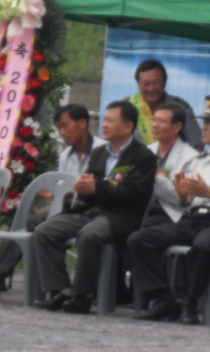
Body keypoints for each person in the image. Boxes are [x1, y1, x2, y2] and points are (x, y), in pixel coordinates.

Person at [126, 96, 210, 325]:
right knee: (139, 239)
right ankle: (164, 298)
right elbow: (187, 201)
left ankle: (189, 303)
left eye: (209, 123)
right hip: (192, 219)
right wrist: (182, 193)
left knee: (204, 245)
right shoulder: (201, 158)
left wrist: (207, 191)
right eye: (204, 122)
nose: (203, 128)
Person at [33, 100, 156, 313]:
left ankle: (82, 296)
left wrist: (97, 187)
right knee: (45, 230)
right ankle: (59, 290)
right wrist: (78, 193)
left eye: (110, 121)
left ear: (128, 126)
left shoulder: (143, 156)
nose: (104, 125)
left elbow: (135, 195)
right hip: (94, 211)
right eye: (104, 120)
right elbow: (89, 192)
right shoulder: (100, 153)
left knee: (90, 235)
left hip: (123, 217)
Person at [0, 103, 104, 289]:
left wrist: (72, 194)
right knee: (30, 221)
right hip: (71, 208)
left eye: (65, 126)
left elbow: (102, 187)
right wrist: (57, 194)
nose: (62, 132)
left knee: (44, 227)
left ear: (83, 123)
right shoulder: (66, 155)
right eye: (59, 128)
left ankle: (58, 288)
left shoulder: (102, 150)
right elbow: (65, 187)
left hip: (94, 211)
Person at [143, 102, 198, 229]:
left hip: (170, 214)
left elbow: (184, 197)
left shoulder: (191, 157)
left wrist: (155, 177)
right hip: (143, 209)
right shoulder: (147, 151)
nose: (155, 125)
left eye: (161, 121)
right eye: (154, 120)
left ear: (177, 127)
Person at [125, 59, 203, 148]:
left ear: (165, 83)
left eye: (156, 83)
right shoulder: (126, 108)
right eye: (146, 83)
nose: (151, 88)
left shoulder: (181, 108)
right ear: (138, 85)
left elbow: (198, 143)